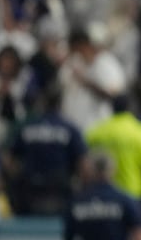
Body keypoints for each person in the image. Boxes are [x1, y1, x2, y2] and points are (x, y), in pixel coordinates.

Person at [5, 84, 86, 216]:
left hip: (30, 190)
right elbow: (83, 164)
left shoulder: (27, 127)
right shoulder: (70, 129)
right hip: (60, 191)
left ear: (42, 103)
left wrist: (18, 177)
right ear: (61, 104)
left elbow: (8, 159)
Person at [86, 95, 141, 201]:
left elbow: (85, 163)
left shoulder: (97, 131)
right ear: (131, 108)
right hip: (133, 193)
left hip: (104, 195)